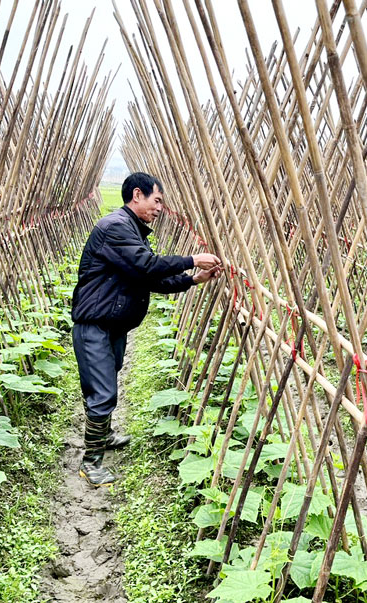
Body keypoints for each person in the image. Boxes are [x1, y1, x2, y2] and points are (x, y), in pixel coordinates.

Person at [71, 172, 221, 486]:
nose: (158, 209)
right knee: (102, 393)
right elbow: (148, 266)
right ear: (137, 195)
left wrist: (193, 280)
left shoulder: (132, 231)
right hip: (94, 324)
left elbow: (150, 280)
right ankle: (91, 463)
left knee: (108, 379)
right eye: (157, 201)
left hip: (112, 324)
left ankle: (105, 436)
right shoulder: (115, 228)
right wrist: (192, 259)